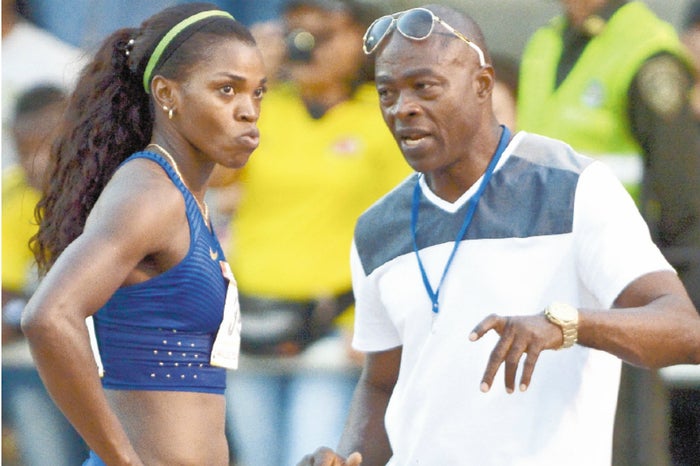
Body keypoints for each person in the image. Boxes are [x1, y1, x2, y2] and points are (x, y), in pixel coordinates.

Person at [297, 4, 700, 465]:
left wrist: (567, 325)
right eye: (386, 92)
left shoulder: (574, 188)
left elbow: (684, 330)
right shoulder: (376, 228)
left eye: (424, 87)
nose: (402, 108)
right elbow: (382, 384)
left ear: (482, 84)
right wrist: (347, 457)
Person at [19, 3, 267, 465]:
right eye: (226, 89)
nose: (248, 111)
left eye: (258, 92)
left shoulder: (182, 197)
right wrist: (123, 460)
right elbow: (49, 317)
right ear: (167, 93)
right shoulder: (151, 193)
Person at [212, 1, 412, 464]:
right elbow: (215, 176)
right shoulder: (259, 110)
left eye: (325, 33)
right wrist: (246, 81)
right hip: (251, 318)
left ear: (361, 38)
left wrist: (379, 318)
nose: (308, 45)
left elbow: (404, 224)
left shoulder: (382, 115)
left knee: (309, 454)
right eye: (297, 33)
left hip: (332, 323)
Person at [516, 1, 700, 462]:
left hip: (620, 282)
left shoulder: (647, 50)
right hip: (541, 272)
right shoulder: (545, 41)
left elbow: (682, 194)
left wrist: (664, 299)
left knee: (621, 439)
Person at [2, 85, 90, 466]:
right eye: (22, 152)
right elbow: (6, 291)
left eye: (43, 149)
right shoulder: (15, 194)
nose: (32, 165)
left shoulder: (114, 187)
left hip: (117, 363)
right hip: (42, 364)